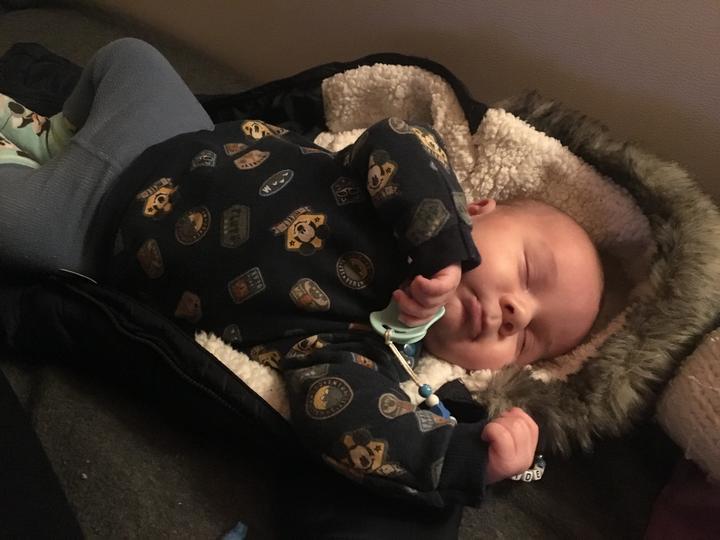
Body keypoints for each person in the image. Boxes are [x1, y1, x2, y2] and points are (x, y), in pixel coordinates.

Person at [0, 38, 603, 506]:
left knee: (12, 223)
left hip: (97, 226)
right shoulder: (399, 188)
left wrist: (472, 459)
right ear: (477, 208)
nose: (516, 312)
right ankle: (59, 133)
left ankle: (34, 160)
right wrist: (439, 239)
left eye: (528, 339)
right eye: (529, 270)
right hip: (174, 132)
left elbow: (348, 425)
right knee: (128, 55)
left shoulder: (371, 353)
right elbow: (399, 137)